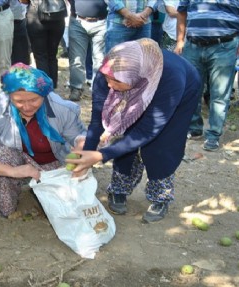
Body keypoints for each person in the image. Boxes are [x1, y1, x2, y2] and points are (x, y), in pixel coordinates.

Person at [67, 38, 201, 223]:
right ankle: (119, 189)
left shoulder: (171, 79)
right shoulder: (110, 71)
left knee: (162, 146)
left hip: (181, 90)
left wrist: (101, 156)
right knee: (126, 135)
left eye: (115, 82)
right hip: (136, 86)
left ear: (135, 76)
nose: (109, 85)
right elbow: (97, 120)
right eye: (107, 79)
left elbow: (147, 130)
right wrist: (88, 153)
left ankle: (160, 197)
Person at [0, 63, 87, 218]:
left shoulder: (62, 109)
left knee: (62, 208)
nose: (26, 107)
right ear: (9, 95)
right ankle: (9, 204)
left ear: (44, 94)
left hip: (53, 164)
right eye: (18, 101)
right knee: (0, 153)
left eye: (34, 100)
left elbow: (80, 139)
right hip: (14, 161)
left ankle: (41, 189)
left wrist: (82, 144)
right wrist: (12, 171)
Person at [176, 0, 239, 152]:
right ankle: (194, 128)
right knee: (191, 90)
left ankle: (213, 135)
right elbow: (181, 11)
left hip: (225, 46)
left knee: (220, 93)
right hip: (192, 45)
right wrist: (180, 40)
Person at [67, 0, 107, 102]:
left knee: (100, 59)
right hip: (78, 21)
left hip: (102, 22)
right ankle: (76, 88)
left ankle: (98, 89)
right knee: (76, 58)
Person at [26, 0, 67, 89]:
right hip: (57, 15)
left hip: (36, 16)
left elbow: (23, 1)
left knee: (41, 56)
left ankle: (45, 88)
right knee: (52, 55)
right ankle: (52, 87)